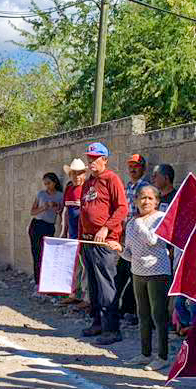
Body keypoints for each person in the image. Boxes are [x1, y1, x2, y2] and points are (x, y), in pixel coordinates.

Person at [118, 185, 172, 370]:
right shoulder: (132, 223)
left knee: (159, 315)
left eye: (150, 198)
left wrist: (139, 222)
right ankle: (145, 353)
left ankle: (163, 356)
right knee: (143, 314)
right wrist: (119, 250)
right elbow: (129, 253)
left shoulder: (161, 218)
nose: (146, 201)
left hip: (158, 272)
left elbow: (153, 240)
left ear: (157, 201)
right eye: (142, 197)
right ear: (136, 201)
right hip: (138, 272)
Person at [80, 142, 128, 345]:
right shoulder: (88, 183)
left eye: (95, 158)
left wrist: (106, 228)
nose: (91, 161)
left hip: (105, 242)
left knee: (106, 284)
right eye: (89, 158)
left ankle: (112, 328)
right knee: (93, 284)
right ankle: (97, 321)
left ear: (104, 160)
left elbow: (122, 208)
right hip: (88, 241)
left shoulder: (111, 179)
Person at [113, 154, 150, 324]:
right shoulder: (128, 186)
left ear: (143, 168)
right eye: (130, 166)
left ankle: (129, 309)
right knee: (121, 272)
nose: (133, 169)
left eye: (136, 166)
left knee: (133, 274)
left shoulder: (145, 187)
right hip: (126, 235)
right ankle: (117, 308)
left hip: (138, 236)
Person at [29, 172, 64, 288]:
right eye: (45, 184)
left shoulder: (60, 195)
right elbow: (32, 212)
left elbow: (61, 212)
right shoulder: (41, 194)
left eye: (49, 183)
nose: (47, 186)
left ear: (54, 182)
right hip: (37, 225)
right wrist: (44, 207)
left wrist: (56, 208)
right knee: (36, 252)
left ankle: (46, 280)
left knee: (47, 254)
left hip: (49, 226)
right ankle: (38, 281)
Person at [60, 158, 87, 305]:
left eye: (80, 173)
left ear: (84, 174)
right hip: (72, 234)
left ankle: (86, 297)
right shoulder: (69, 189)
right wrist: (63, 231)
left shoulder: (87, 189)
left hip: (84, 235)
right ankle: (73, 294)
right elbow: (65, 211)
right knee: (73, 265)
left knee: (85, 266)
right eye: (74, 174)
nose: (77, 176)